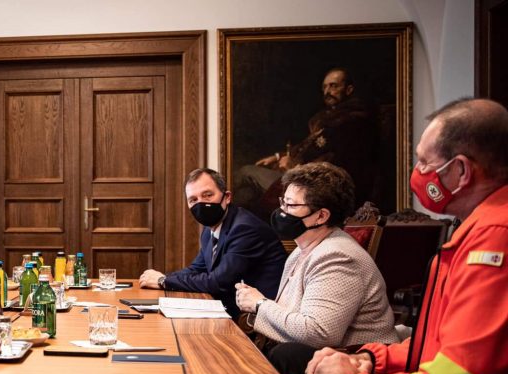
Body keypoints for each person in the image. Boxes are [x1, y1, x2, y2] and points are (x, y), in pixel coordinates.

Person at [296, 98, 508, 374]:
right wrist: (370, 358)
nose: (417, 173)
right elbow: (435, 348)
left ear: (461, 171)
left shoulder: (495, 238)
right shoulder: (477, 228)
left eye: (424, 162)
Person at [235, 162, 399, 351]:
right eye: (283, 202)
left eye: (291, 205)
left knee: (282, 354)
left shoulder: (337, 257)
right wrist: (257, 305)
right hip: (316, 352)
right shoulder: (301, 250)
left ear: (321, 216)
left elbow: (317, 333)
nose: (282, 211)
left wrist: (259, 304)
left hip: (353, 356)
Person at [236, 67, 380, 220]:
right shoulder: (326, 117)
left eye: (333, 86)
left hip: (315, 188)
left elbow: (334, 163)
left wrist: (295, 167)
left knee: (246, 172)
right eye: (324, 87)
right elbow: (308, 146)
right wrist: (278, 156)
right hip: (303, 177)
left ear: (349, 89)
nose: (327, 91)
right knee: (246, 194)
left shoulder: (352, 121)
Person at [138, 168, 286, 317]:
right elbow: (197, 269)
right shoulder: (209, 230)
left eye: (207, 195)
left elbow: (218, 282)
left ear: (227, 197)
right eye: (193, 200)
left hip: (259, 317)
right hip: (231, 309)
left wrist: (163, 281)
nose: (200, 204)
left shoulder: (245, 228)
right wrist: (161, 278)